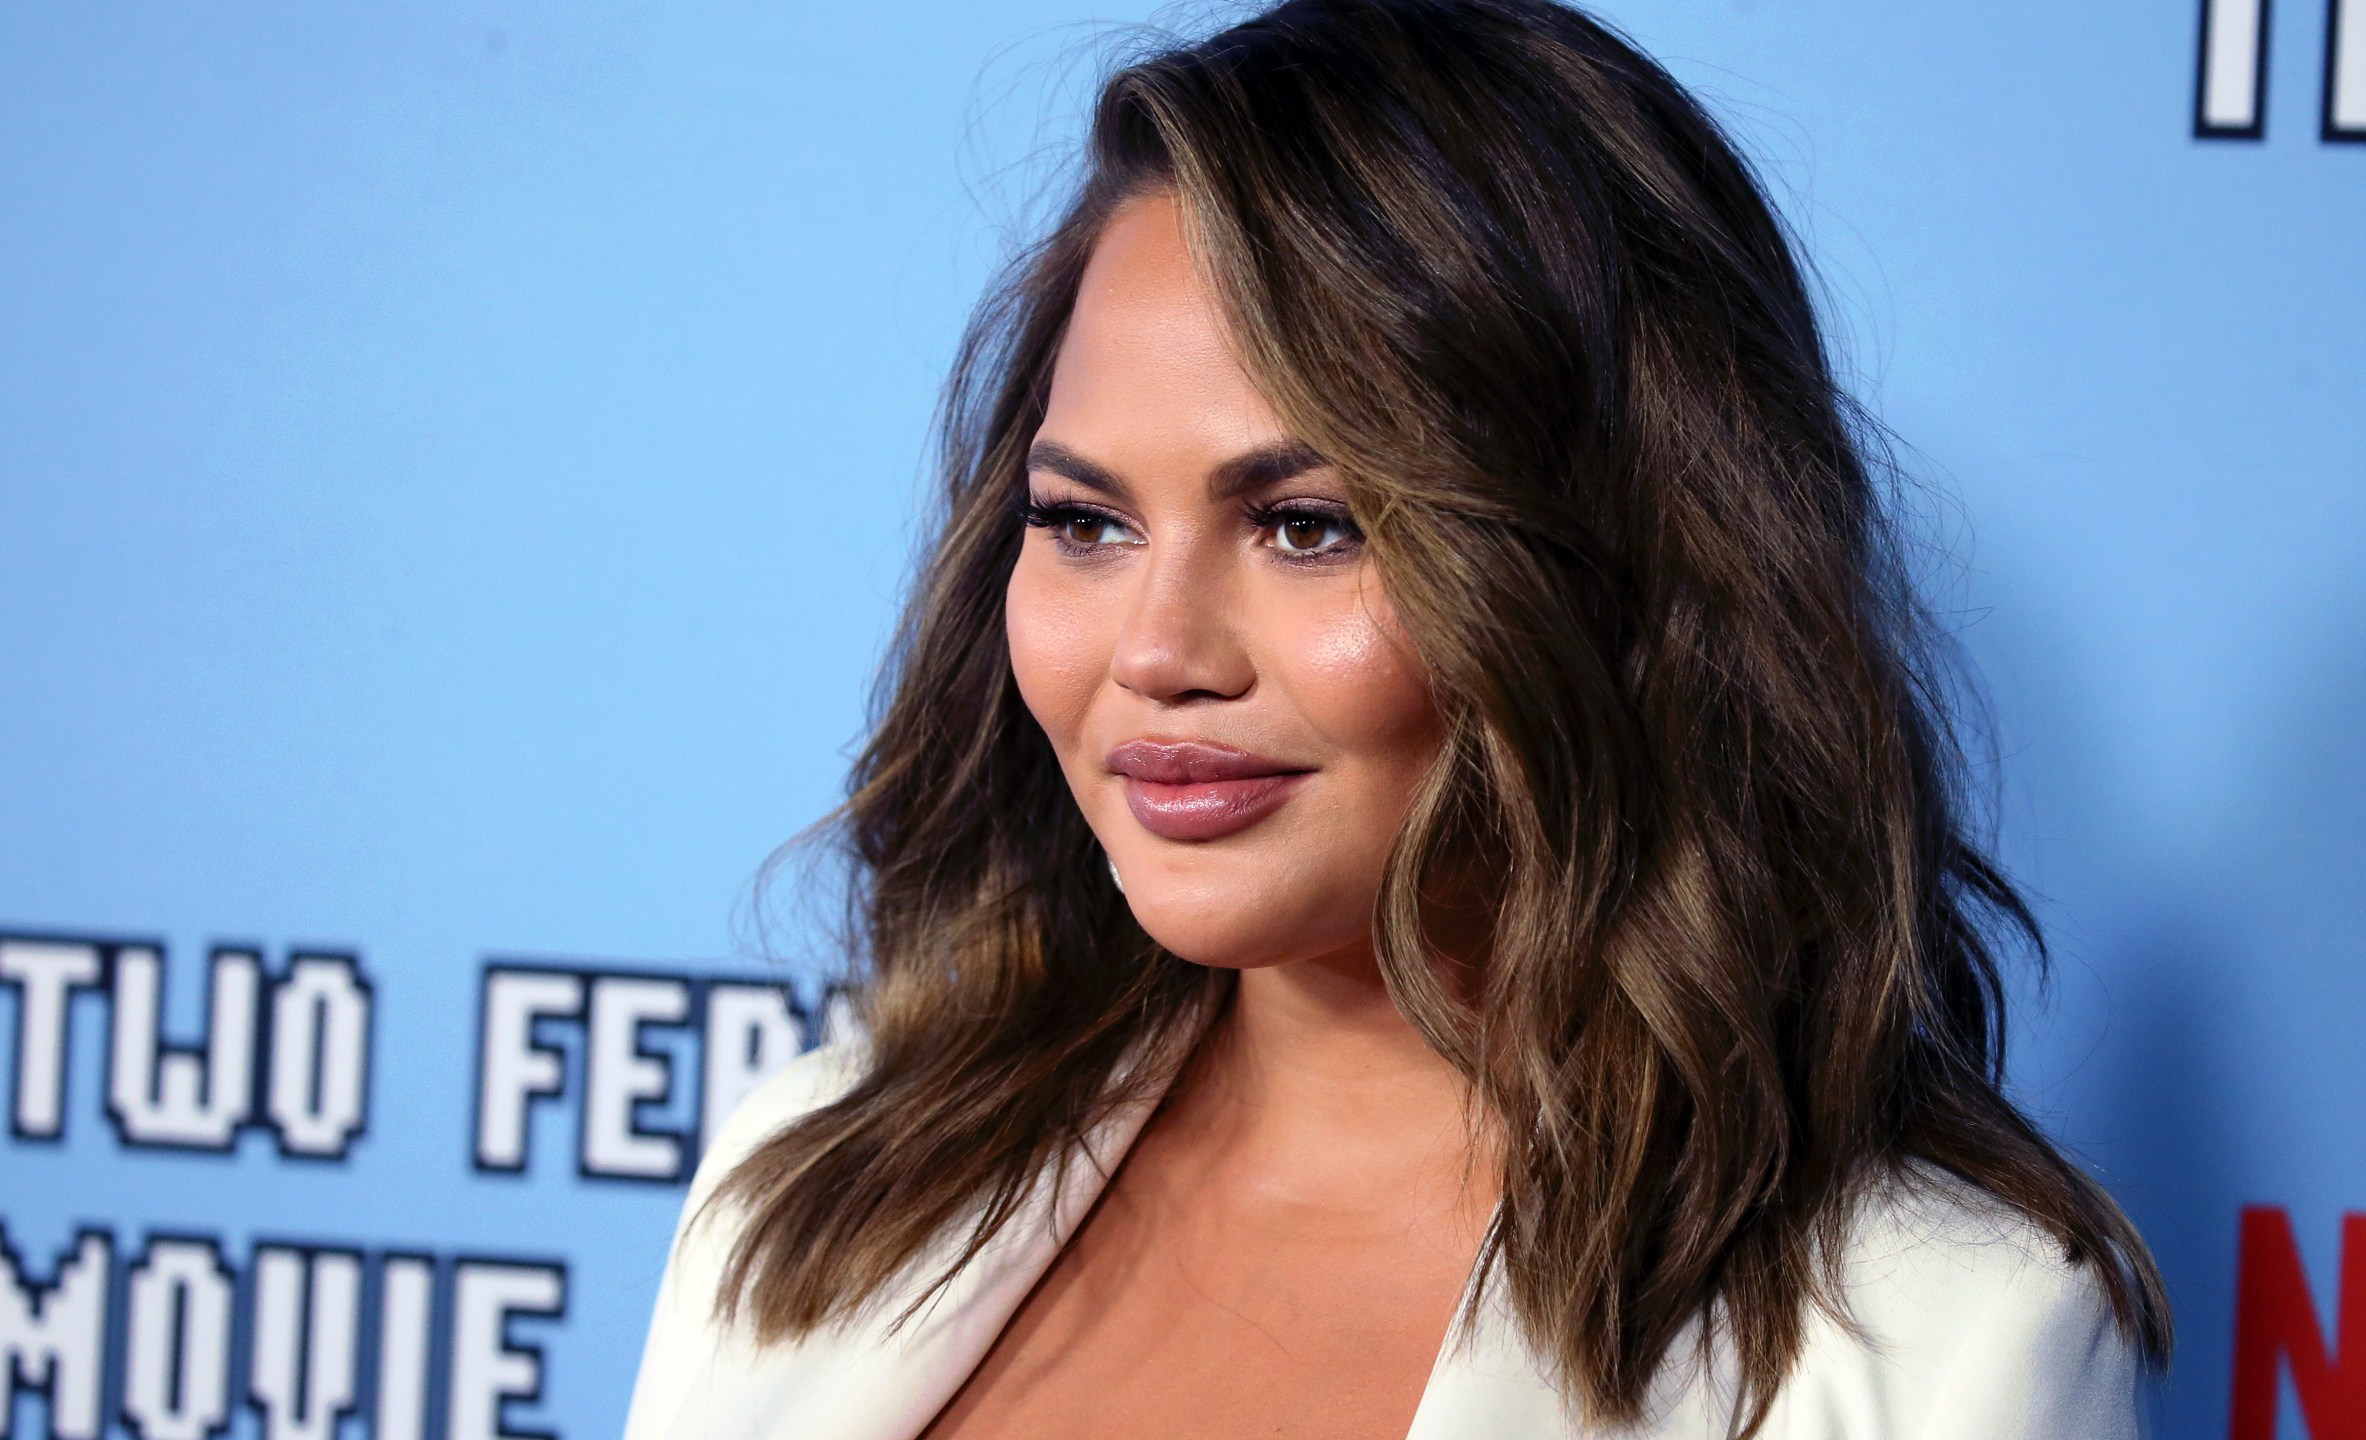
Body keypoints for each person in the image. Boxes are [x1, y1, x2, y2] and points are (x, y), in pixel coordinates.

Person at [624, 1, 2172, 1435]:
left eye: (1309, 526)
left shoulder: (1948, 1335)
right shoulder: (809, 1184)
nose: (1157, 653)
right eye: (1087, 524)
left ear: (1621, 571)